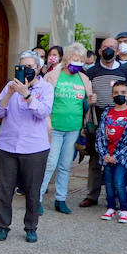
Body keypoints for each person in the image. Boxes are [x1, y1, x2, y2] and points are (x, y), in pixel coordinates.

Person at [0, 52, 53, 242]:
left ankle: (30, 227)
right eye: (21, 66)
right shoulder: (9, 87)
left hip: (34, 147)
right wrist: (10, 93)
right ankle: (3, 226)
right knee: (4, 190)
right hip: (7, 145)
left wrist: (26, 94)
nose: (25, 70)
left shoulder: (46, 88)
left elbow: (43, 112)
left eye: (29, 66)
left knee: (32, 191)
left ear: (38, 68)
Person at [80, 38, 127, 207]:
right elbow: (84, 97)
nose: (108, 50)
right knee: (96, 158)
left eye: (112, 47)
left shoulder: (125, 72)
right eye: (105, 47)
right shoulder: (91, 72)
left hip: (119, 120)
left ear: (117, 51)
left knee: (118, 158)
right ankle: (92, 194)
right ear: (99, 51)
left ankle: (117, 195)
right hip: (97, 119)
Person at [39, 43, 93, 214]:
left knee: (65, 165)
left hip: (74, 128)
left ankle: (60, 199)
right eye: (75, 59)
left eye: (81, 60)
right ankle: (37, 198)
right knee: (50, 163)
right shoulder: (53, 76)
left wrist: (90, 101)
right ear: (67, 58)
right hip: (54, 127)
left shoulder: (83, 79)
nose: (78, 62)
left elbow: (86, 103)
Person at [94, 79, 127, 223]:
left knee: (119, 182)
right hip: (107, 156)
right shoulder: (107, 112)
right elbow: (100, 134)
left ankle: (124, 209)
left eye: (123, 93)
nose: (119, 95)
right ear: (111, 96)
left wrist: (117, 156)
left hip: (121, 157)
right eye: (116, 93)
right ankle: (111, 207)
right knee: (108, 182)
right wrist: (105, 154)